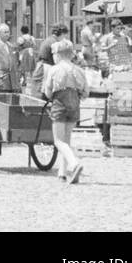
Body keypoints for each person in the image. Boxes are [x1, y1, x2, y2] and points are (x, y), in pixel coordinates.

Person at [43, 39, 88, 184]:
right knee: (67, 139)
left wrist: (52, 95)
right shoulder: (79, 70)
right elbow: (86, 92)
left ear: (59, 55)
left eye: (54, 54)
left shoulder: (54, 69)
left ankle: (74, 163)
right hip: (74, 103)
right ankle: (62, 173)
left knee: (58, 141)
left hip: (60, 103)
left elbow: (48, 92)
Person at [29, 23, 69, 96]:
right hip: (45, 69)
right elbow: (58, 60)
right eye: (64, 35)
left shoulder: (49, 39)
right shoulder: (55, 43)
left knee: (39, 92)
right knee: (42, 93)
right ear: (61, 33)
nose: (65, 38)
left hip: (41, 67)